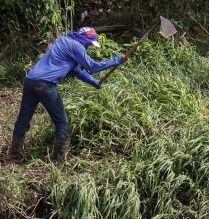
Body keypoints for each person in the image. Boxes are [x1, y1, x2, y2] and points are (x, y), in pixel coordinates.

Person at [9, 27, 127, 163]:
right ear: (85, 40)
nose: (89, 47)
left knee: (23, 120)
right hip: (45, 85)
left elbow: (75, 70)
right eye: (89, 44)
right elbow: (93, 67)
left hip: (30, 81)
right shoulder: (77, 46)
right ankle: (59, 161)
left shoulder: (63, 41)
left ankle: (14, 156)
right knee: (62, 123)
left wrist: (93, 82)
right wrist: (117, 60)